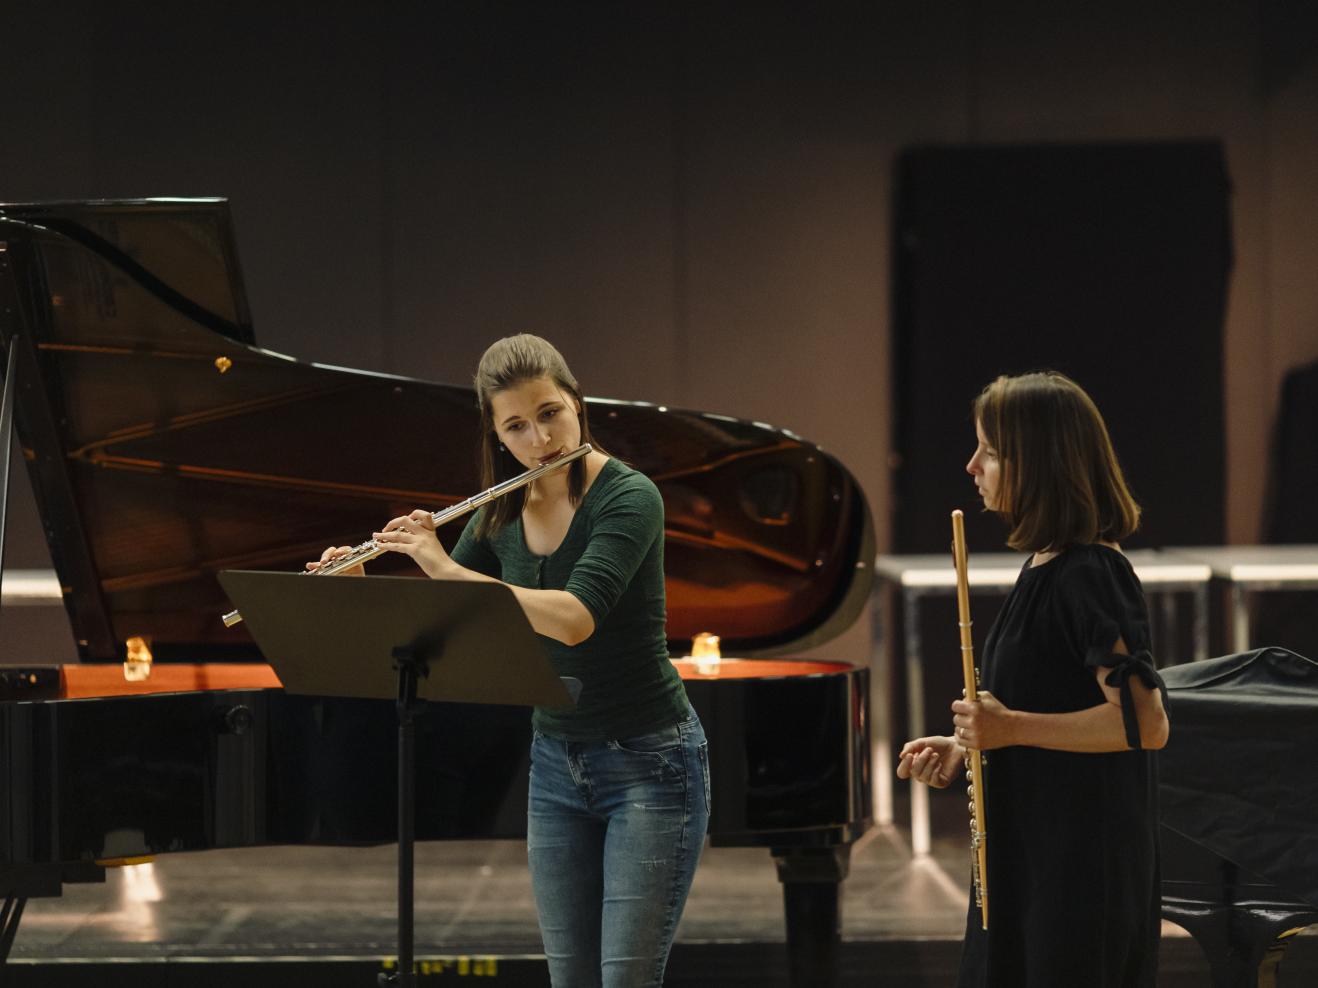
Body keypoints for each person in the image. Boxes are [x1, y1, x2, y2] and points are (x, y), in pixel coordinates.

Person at [311, 333, 709, 988]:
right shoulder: (502, 508)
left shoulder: (630, 498)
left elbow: (575, 618)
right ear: (498, 436)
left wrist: (438, 561)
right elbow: (441, 615)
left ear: (577, 405)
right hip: (556, 766)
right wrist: (356, 582)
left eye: (549, 414)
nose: (538, 440)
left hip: (651, 763)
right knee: (569, 979)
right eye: (516, 427)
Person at [897, 371, 1170, 988]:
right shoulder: (1047, 565)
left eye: (990, 452)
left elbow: (1145, 723)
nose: (972, 466)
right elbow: (1042, 707)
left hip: (1078, 869)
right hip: (1035, 855)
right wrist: (967, 741)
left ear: (1039, 461)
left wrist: (1010, 727)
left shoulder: (1093, 571)